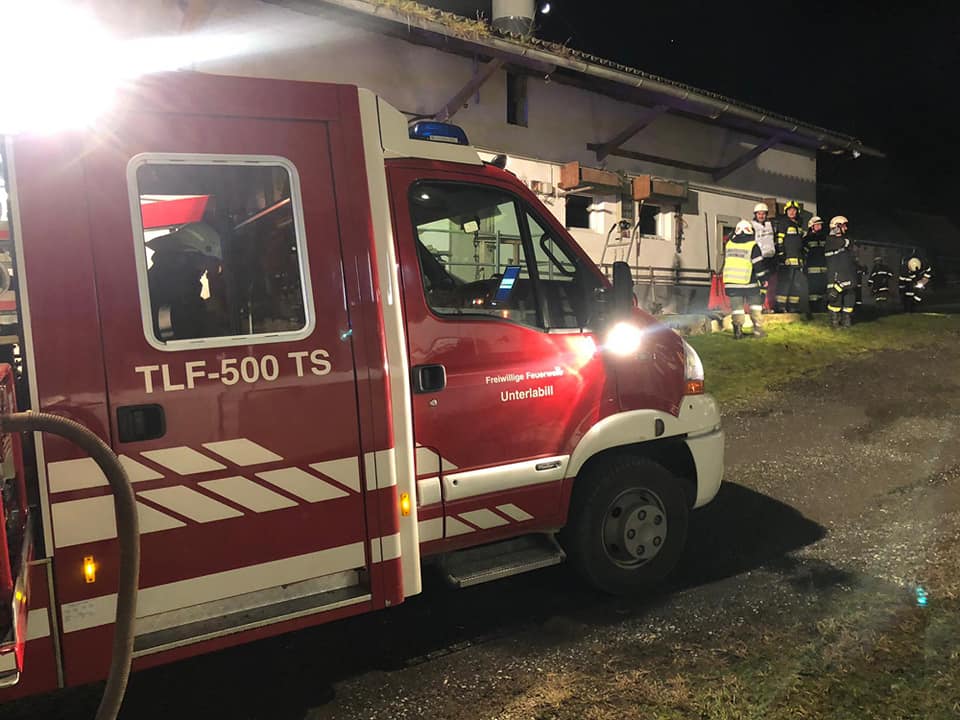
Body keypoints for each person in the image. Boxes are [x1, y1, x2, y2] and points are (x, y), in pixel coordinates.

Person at [146, 221, 228, 341]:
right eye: (205, 263)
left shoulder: (163, 276)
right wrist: (208, 313)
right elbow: (178, 330)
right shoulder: (174, 283)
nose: (204, 271)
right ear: (190, 256)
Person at [723, 219, 769, 339]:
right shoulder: (752, 246)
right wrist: (763, 279)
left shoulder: (729, 245)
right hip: (749, 283)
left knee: (737, 309)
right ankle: (758, 331)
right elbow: (758, 266)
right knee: (755, 306)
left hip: (731, 283)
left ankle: (738, 332)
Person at [774, 200, 809, 315]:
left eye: (794, 210)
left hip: (798, 261)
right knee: (785, 283)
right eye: (790, 210)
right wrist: (782, 256)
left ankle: (793, 307)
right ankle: (780, 307)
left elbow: (800, 243)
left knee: (796, 284)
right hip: (787, 261)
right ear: (786, 211)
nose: (792, 212)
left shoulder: (798, 225)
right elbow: (779, 241)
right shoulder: (784, 223)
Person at [824, 215, 857, 328]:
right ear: (837, 227)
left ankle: (846, 321)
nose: (846, 229)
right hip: (835, 275)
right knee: (835, 299)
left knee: (850, 297)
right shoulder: (830, 240)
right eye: (843, 226)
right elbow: (843, 243)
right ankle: (834, 322)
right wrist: (847, 241)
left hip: (847, 275)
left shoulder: (846, 240)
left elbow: (850, 250)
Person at [750, 202, 777, 311]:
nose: (761, 216)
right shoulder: (752, 225)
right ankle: (758, 305)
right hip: (759, 258)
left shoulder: (771, 225)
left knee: (768, 284)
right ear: (755, 214)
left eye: (763, 214)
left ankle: (766, 305)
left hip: (770, 258)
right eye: (759, 214)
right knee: (760, 282)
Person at [804, 216, 828, 312]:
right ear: (811, 226)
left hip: (824, 268)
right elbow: (804, 253)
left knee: (823, 289)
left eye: (820, 225)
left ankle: (822, 308)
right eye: (817, 225)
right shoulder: (807, 239)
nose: (819, 226)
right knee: (813, 290)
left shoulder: (824, 238)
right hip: (811, 269)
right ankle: (813, 309)